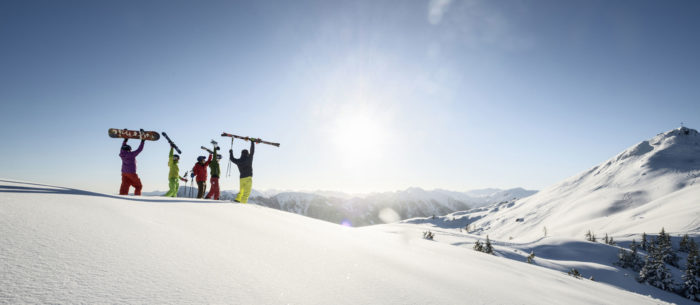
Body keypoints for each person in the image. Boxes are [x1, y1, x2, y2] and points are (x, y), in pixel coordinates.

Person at [229, 138, 257, 203]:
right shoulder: (249, 159)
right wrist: (252, 142)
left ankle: (237, 200)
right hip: (248, 178)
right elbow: (252, 151)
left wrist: (231, 152)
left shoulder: (238, 161)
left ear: (241, 154)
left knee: (241, 191)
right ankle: (242, 206)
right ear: (247, 153)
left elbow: (232, 159)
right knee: (246, 193)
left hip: (242, 178)